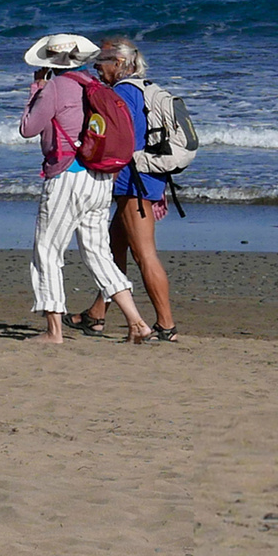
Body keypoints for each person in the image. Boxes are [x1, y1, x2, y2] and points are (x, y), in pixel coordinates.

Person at [18, 33, 155, 345]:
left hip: (67, 176)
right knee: (97, 253)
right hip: (99, 179)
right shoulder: (93, 86)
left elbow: (28, 128)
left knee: (48, 250)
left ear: (50, 63)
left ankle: (54, 331)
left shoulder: (54, 87)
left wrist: (36, 90)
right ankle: (136, 321)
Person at [64, 36, 178, 343]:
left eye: (100, 63)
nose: (97, 69)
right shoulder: (144, 88)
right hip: (144, 178)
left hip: (133, 181)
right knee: (115, 250)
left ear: (119, 63)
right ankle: (96, 316)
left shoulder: (123, 94)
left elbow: (126, 141)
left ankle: (166, 326)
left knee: (144, 255)